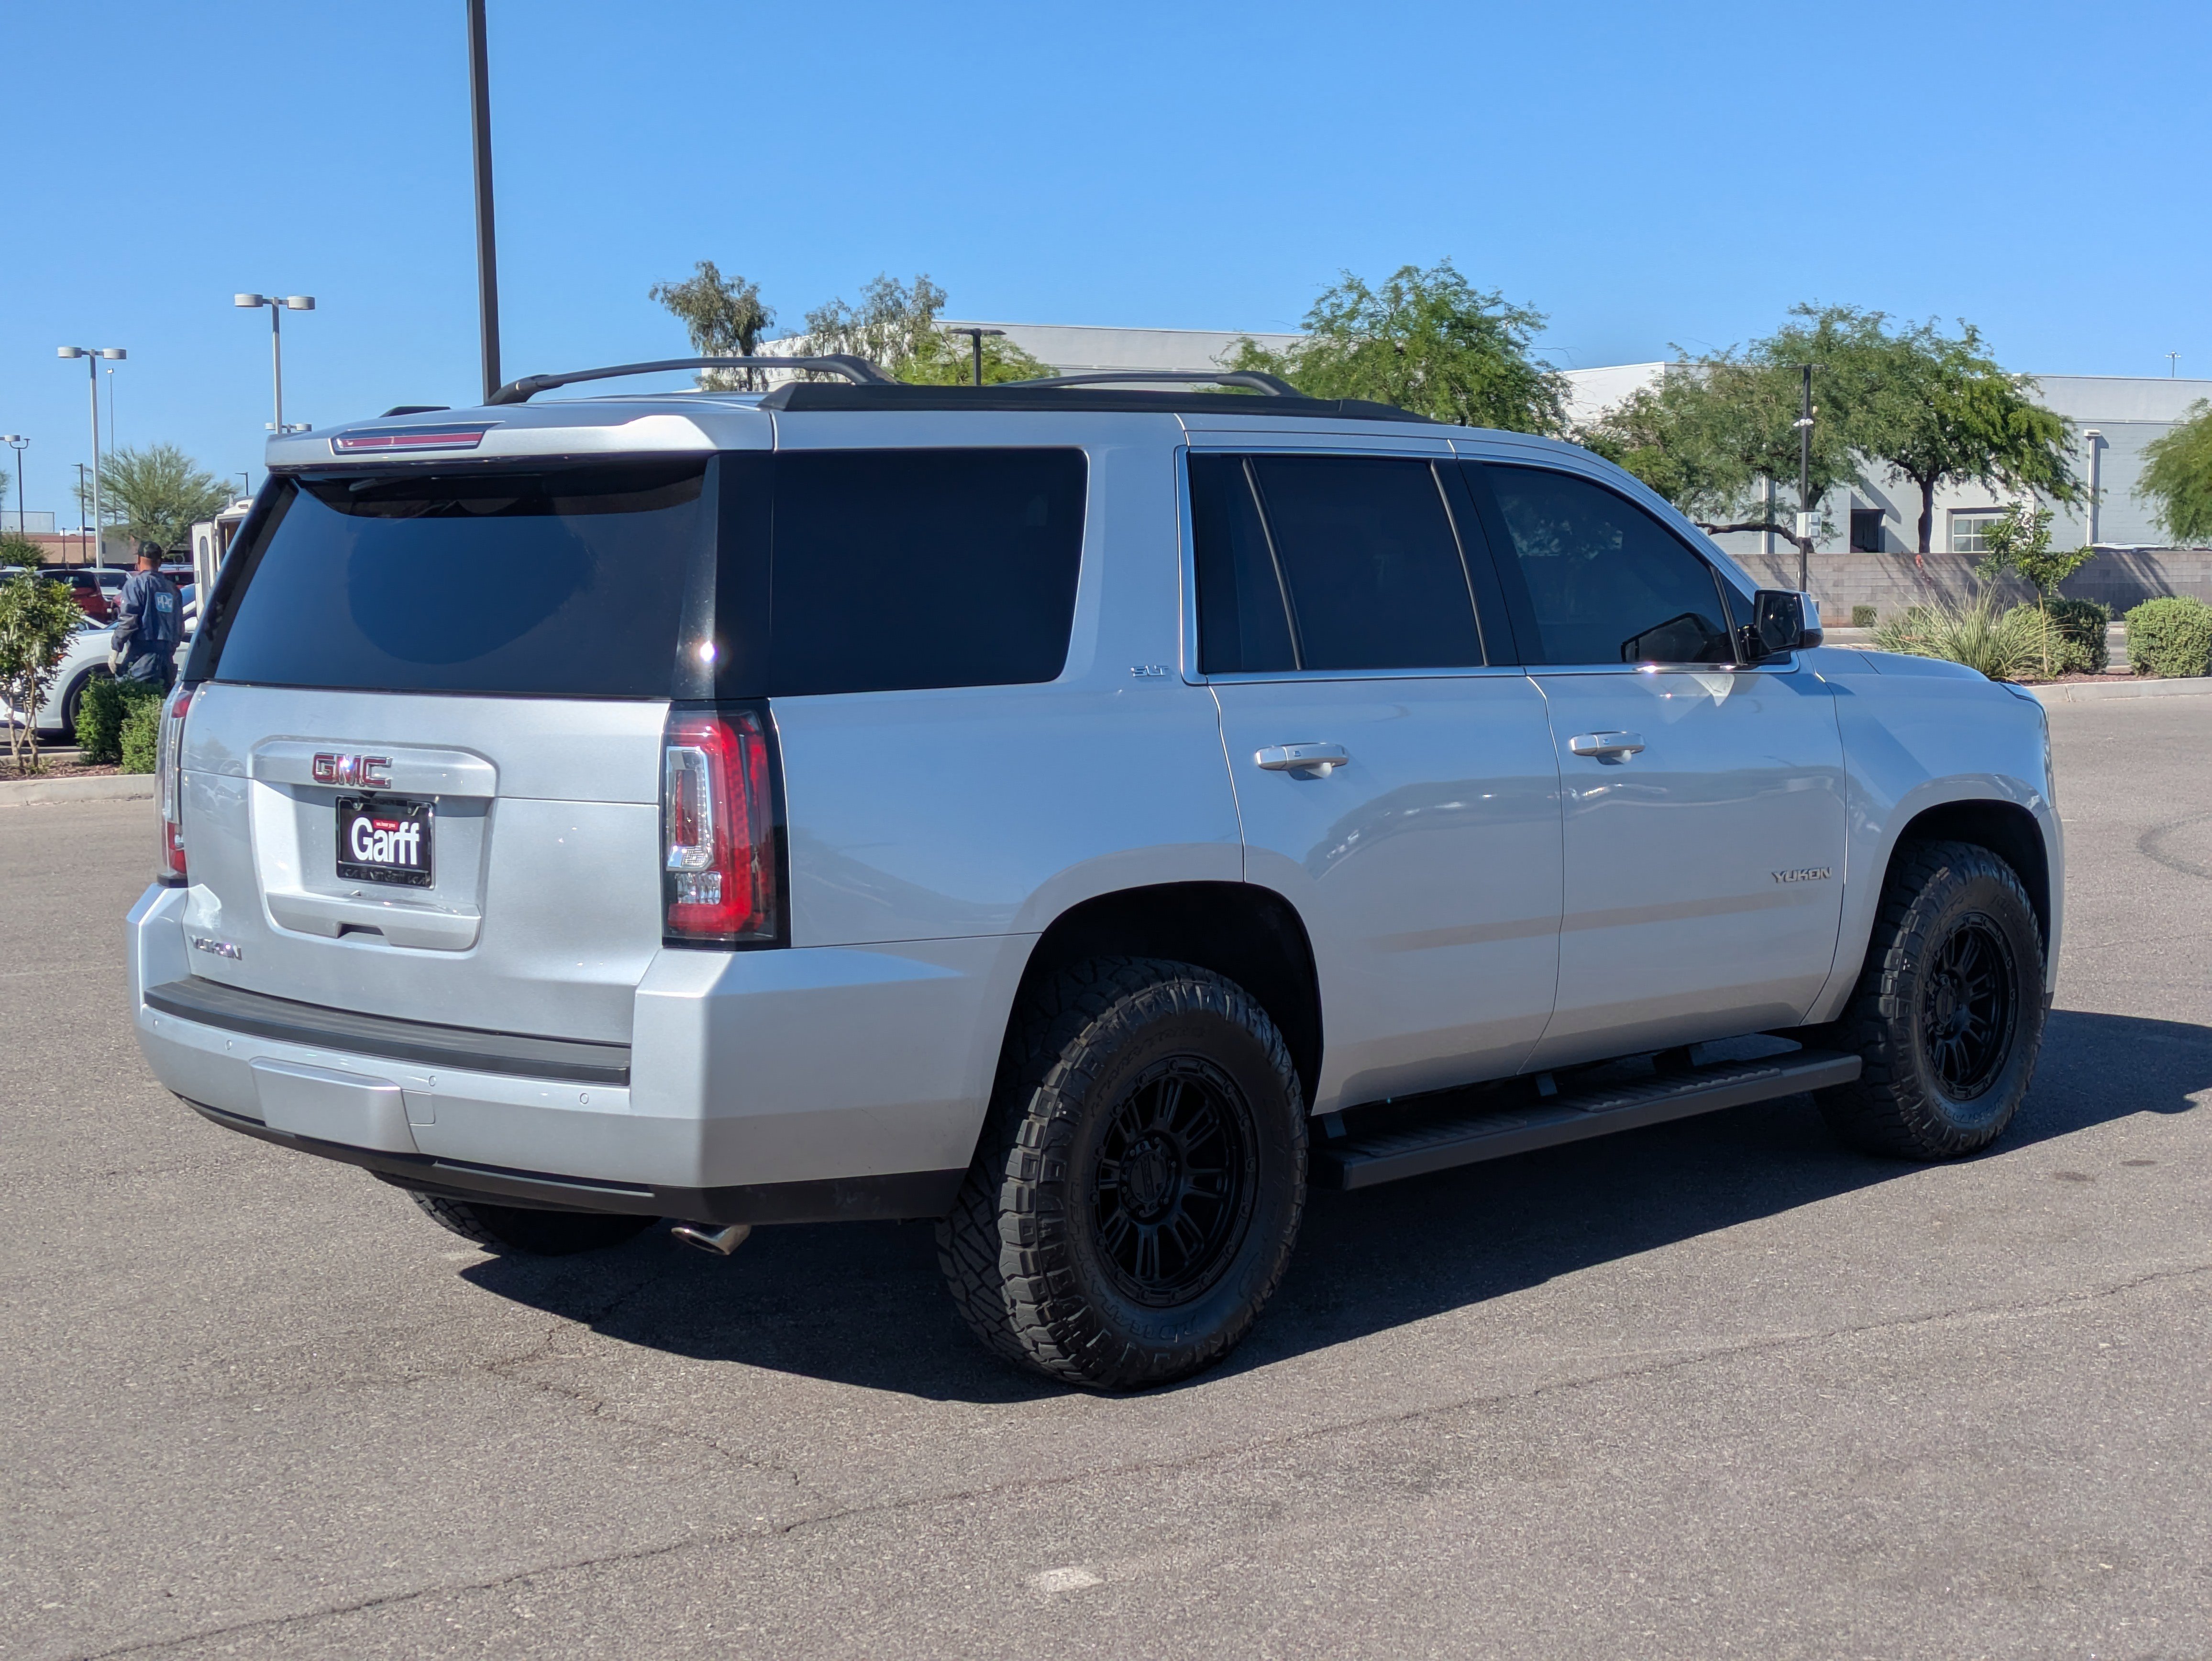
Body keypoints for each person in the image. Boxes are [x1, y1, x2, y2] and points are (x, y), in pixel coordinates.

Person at [111, 541, 183, 694]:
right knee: (159, 703)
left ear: (138, 560)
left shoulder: (136, 584)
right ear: (160, 562)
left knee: (132, 698)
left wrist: (116, 647)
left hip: (143, 657)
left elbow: (129, 620)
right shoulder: (172, 589)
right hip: (166, 660)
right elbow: (179, 625)